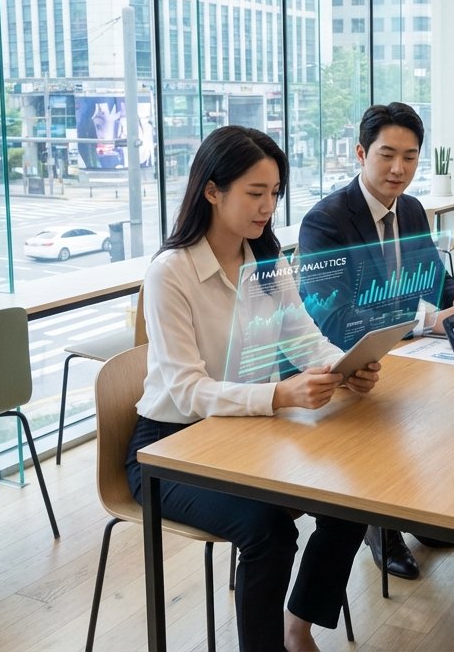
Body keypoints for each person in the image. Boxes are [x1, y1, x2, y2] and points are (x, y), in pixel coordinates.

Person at [126, 125, 377, 652]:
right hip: (169, 448)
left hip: (246, 436)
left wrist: (345, 366)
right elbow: (188, 390)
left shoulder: (265, 260)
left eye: (275, 193)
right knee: (269, 531)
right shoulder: (169, 273)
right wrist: (280, 396)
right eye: (255, 193)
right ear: (212, 191)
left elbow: (306, 339)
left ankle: (297, 626)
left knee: (358, 494)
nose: (268, 207)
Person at [298, 102, 454, 581]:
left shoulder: (413, 209)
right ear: (361, 153)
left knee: (449, 418)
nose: (399, 169)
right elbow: (334, 317)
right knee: (394, 421)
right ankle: (383, 526)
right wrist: (423, 322)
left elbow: (435, 280)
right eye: (387, 155)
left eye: (411, 157)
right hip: (355, 364)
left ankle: (413, 512)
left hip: (409, 354)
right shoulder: (325, 222)